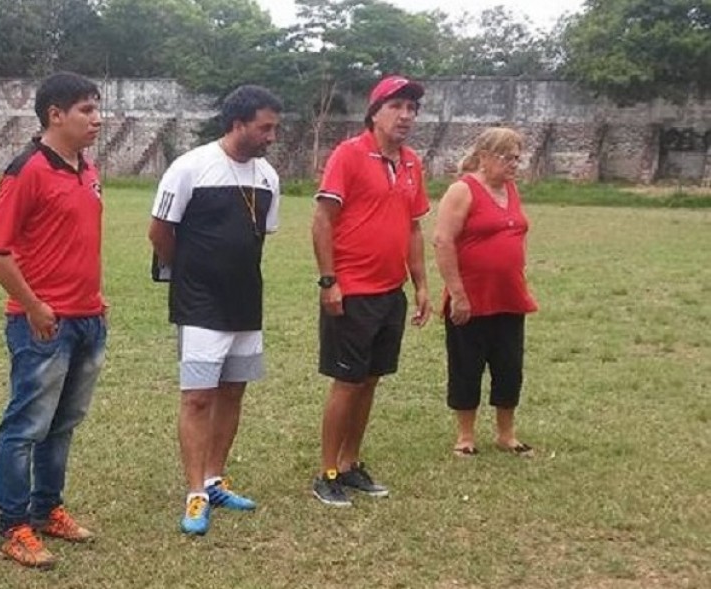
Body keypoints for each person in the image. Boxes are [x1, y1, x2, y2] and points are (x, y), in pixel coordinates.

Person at [0, 72, 106, 569]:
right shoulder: (26, 169)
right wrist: (33, 305)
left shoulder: (87, 168)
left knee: (62, 423)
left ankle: (47, 508)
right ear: (55, 115)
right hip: (43, 325)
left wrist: (96, 300)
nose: (97, 119)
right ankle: (13, 528)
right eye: (86, 110)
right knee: (26, 426)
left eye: (97, 109)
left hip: (88, 319)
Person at [148, 85, 282, 535]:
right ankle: (195, 494)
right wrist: (189, 276)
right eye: (264, 128)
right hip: (200, 302)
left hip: (246, 300)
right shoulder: (190, 167)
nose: (271, 137)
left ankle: (214, 479)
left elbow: (259, 239)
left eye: (274, 128)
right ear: (238, 123)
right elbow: (159, 232)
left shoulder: (269, 177)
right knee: (198, 396)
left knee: (232, 392)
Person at [311, 75, 432, 507]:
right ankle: (327, 471)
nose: (406, 115)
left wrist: (420, 284)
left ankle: (350, 463)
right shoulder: (349, 154)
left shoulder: (412, 162)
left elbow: (413, 228)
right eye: (396, 106)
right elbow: (323, 220)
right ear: (375, 113)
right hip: (352, 290)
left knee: (370, 380)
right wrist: (329, 281)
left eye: (412, 108)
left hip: (389, 291)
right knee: (347, 382)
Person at [433, 127, 538, 459]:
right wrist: (457, 293)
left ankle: (506, 434)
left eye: (517, 158)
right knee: (467, 365)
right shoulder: (462, 190)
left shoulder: (511, 190)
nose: (514, 165)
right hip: (472, 297)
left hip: (509, 296)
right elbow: (443, 241)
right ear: (485, 156)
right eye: (508, 158)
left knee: (509, 366)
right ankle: (465, 436)